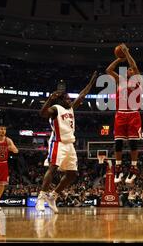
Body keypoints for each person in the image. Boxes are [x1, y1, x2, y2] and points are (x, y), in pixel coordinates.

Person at [35, 72, 97, 213]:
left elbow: (81, 95)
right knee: (52, 168)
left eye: (70, 99)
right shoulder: (56, 109)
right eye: (68, 99)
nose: (70, 101)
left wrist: (91, 83)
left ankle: (53, 195)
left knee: (72, 174)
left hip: (70, 144)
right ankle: (41, 197)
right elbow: (42, 113)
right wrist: (50, 99)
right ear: (61, 100)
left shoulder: (70, 108)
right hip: (58, 142)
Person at [106, 44, 142, 184]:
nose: (130, 70)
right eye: (128, 69)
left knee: (133, 143)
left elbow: (134, 64)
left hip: (133, 114)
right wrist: (119, 59)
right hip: (120, 114)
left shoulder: (138, 81)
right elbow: (108, 70)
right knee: (118, 143)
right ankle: (118, 169)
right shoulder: (120, 81)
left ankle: (133, 169)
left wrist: (126, 54)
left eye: (132, 69)